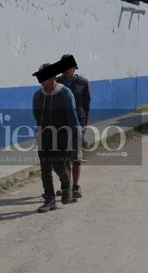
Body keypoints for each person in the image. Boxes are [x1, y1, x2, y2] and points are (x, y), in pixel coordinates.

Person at [32, 63, 82, 213]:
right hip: (44, 136)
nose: (41, 81)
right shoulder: (38, 95)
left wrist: (78, 137)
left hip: (61, 137)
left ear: (53, 76)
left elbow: (72, 117)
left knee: (59, 166)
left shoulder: (65, 93)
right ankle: (50, 199)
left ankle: (66, 185)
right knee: (45, 169)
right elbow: (36, 114)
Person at [56, 54, 91, 199]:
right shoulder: (58, 82)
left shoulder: (83, 83)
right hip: (62, 124)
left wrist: (85, 126)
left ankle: (76, 186)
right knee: (65, 158)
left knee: (76, 157)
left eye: (68, 66)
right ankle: (67, 184)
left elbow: (87, 105)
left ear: (74, 67)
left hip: (78, 123)